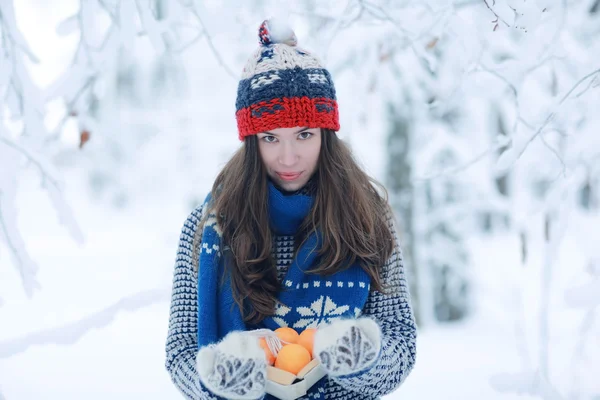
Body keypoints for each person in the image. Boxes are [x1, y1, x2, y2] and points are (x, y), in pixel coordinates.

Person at [165, 19, 417, 400]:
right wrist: (222, 381)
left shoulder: (367, 218)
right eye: (270, 138)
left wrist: (357, 363)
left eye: (304, 134)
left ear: (325, 134)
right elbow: (181, 350)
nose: (288, 157)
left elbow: (400, 339)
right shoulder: (210, 227)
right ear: (252, 142)